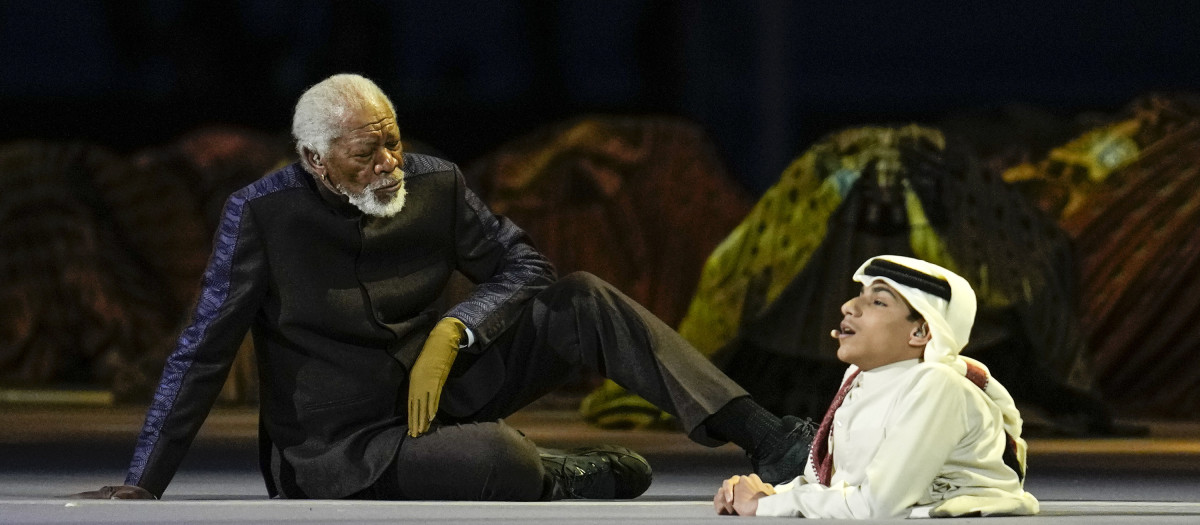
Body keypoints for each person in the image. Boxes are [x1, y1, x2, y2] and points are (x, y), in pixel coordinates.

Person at [73, 73, 815, 502]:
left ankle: (767, 437)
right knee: (499, 458)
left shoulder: (435, 184)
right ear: (316, 159)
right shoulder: (262, 215)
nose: (391, 161)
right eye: (367, 152)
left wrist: (455, 329)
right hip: (345, 448)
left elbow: (526, 268)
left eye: (394, 138)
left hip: (442, 388)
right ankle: (556, 473)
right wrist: (145, 482)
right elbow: (201, 350)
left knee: (583, 297)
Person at [713, 255, 1039, 518]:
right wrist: (765, 491)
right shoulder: (860, 377)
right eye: (859, 296)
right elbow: (838, 486)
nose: (849, 307)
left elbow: (877, 506)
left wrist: (766, 507)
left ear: (922, 332)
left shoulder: (938, 385)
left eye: (878, 302)